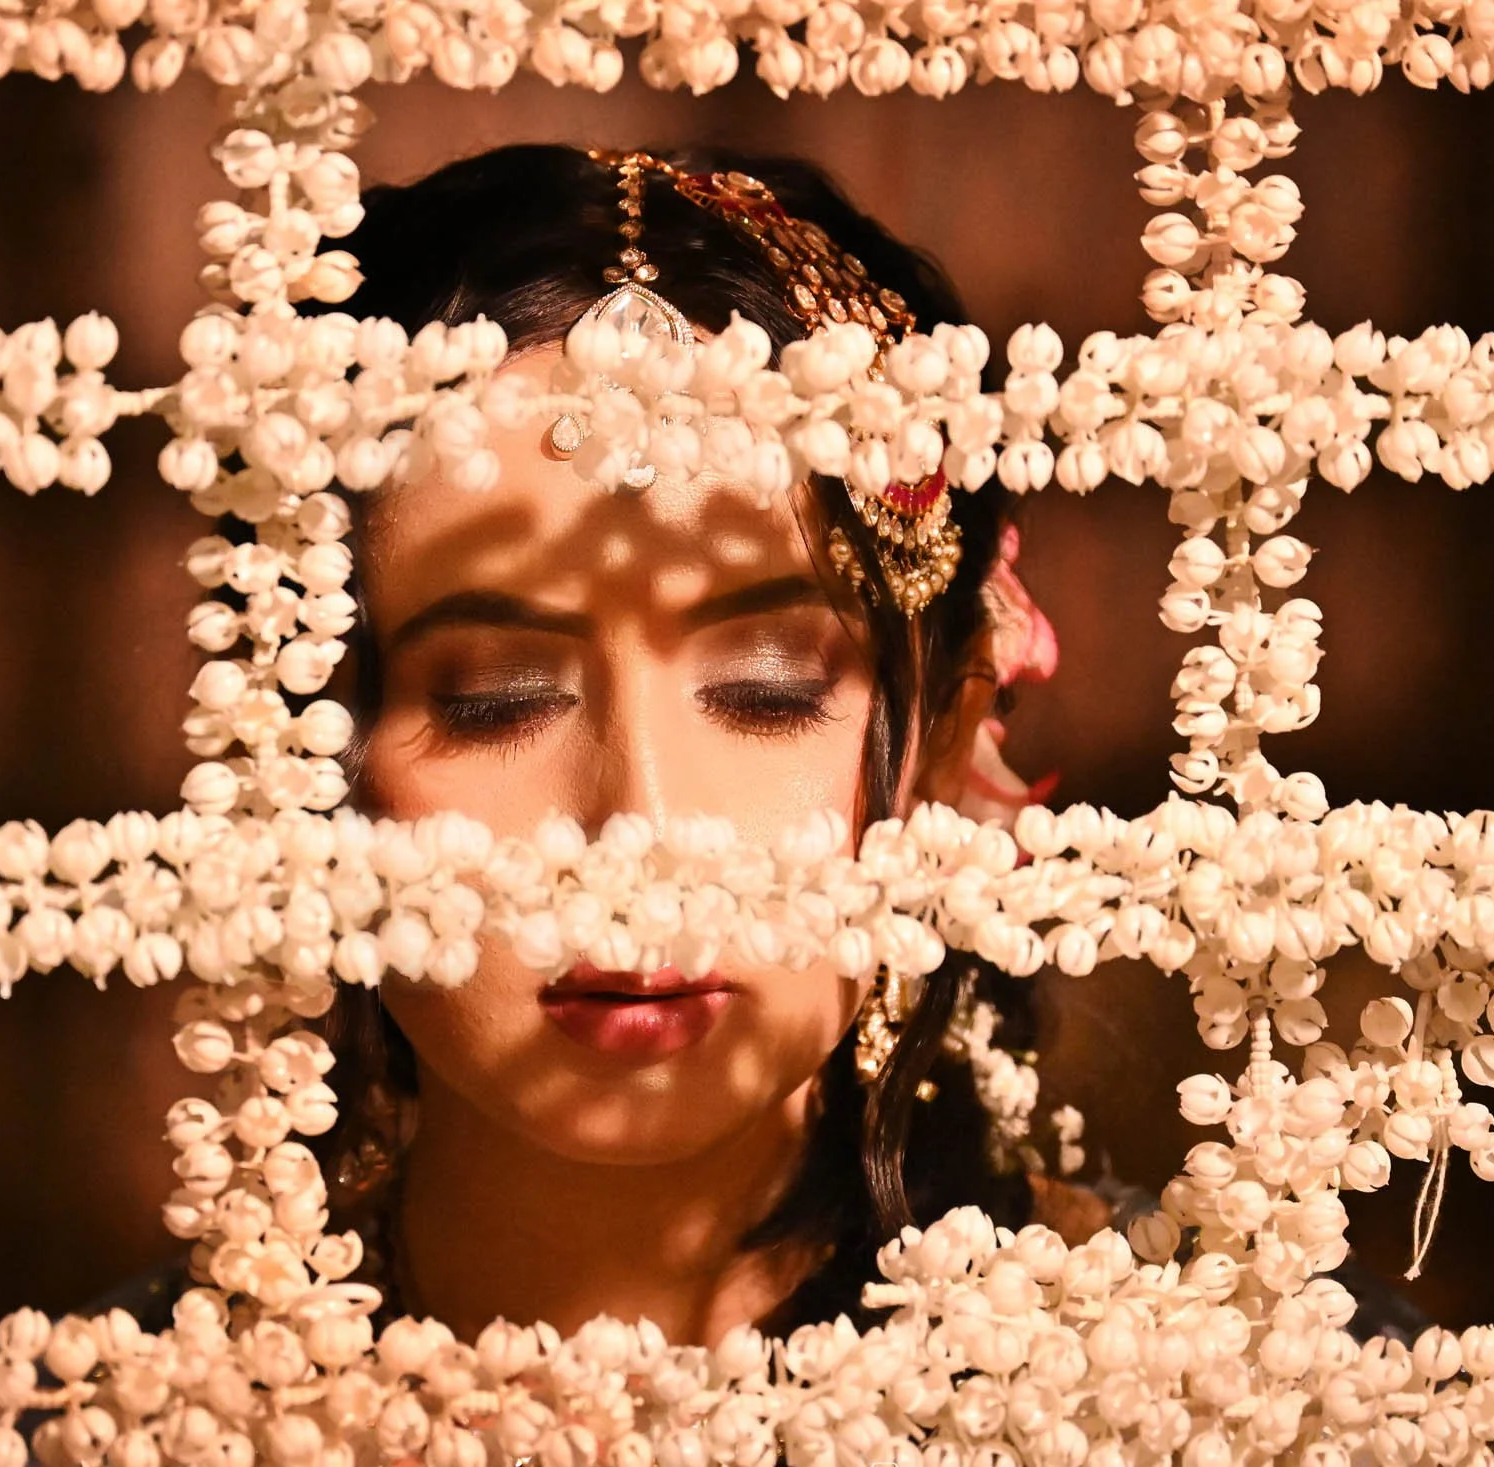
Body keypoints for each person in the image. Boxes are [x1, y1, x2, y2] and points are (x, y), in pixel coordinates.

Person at [300, 143, 1058, 1345]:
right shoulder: (120, 1416)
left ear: (942, 738)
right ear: (306, 757)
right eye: (494, 698)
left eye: (766, 692)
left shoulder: (1201, 1395)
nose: (641, 830)